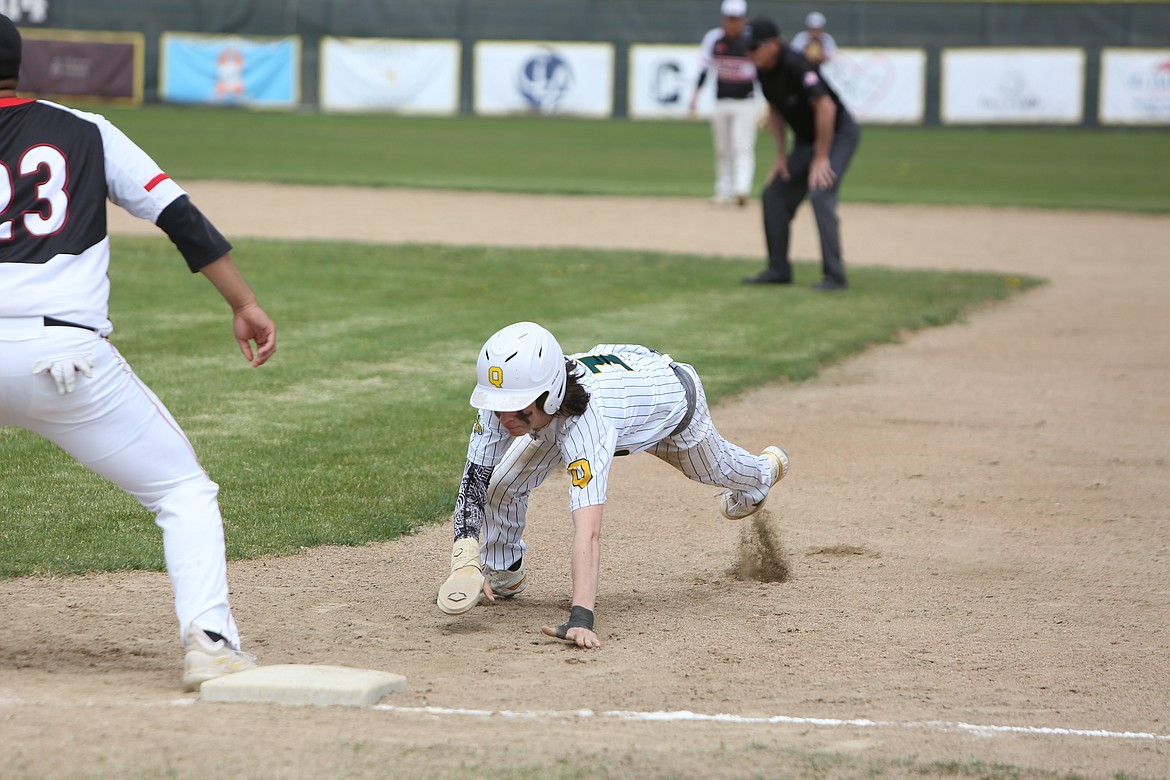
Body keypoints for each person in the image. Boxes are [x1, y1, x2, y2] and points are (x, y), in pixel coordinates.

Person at [0, 14, 276, 691]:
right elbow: (177, 216)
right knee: (183, 491)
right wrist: (242, 302)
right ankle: (210, 642)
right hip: (62, 355)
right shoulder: (84, 129)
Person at [436, 322, 789, 648]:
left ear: (551, 393)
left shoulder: (589, 424)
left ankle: (762, 473)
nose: (505, 419)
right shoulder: (508, 396)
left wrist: (581, 617)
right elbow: (475, 480)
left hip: (671, 410)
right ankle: (504, 571)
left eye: (517, 410)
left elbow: (588, 531)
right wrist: (465, 557)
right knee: (501, 484)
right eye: (499, 407)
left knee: (716, 469)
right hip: (594, 400)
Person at [741, 16, 860, 291]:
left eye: (754, 47)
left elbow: (826, 107)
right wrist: (781, 156)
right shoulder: (763, 69)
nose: (749, 53)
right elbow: (775, 109)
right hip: (806, 142)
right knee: (773, 194)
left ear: (772, 45)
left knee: (820, 193)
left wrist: (821, 157)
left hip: (839, 134)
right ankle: (778, 269)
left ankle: (835, 275)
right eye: (747, 48)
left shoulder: (796, 63)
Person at [689, 0, 758, 207]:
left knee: (742, 146)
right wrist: (695, 96)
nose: (732, 23)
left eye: (736, 18)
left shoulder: (750, 40)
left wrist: (769, 103)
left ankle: (742, 189)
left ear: (743, 19)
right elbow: (704, 68)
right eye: (729, 18)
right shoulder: (714, 39)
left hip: (746, 103)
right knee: (722, 149)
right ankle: (723, 190)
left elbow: (762, 73)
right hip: (721, 101)